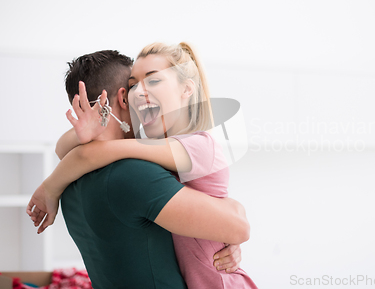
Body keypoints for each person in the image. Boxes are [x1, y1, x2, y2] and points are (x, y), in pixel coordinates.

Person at [26, 49, 250, 288]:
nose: (142, 95)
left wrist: (50, 187)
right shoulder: (133, 174)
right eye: (134, 86)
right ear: (123, 98)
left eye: (153, 81)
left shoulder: (70, 184)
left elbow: (76, 152)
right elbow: (239, 228)